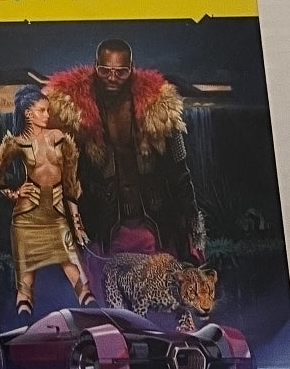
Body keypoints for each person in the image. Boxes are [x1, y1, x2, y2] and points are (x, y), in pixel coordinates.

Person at [45, 40, 204, 263]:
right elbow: (59, 176)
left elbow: (179, 170)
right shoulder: (71, 113)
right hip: (101, 227)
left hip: (154, 225)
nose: (112, 78)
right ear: (95, 67)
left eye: (121, 72)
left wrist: (192, 222)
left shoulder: (159, 109)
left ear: (132, 68)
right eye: (105, 70)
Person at [0, 85, 95, 317]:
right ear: (28, 113)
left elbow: (70, 186)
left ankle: (91, 313)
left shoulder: (59, 139)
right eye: (42, 110)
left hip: (55, 216)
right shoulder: (14, 144)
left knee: (80, 279)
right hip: (26, 219)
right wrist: (14, 193)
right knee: (25, 287)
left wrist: (77, 224)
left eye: (47, 110)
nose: (47, 115)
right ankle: (23, 324)